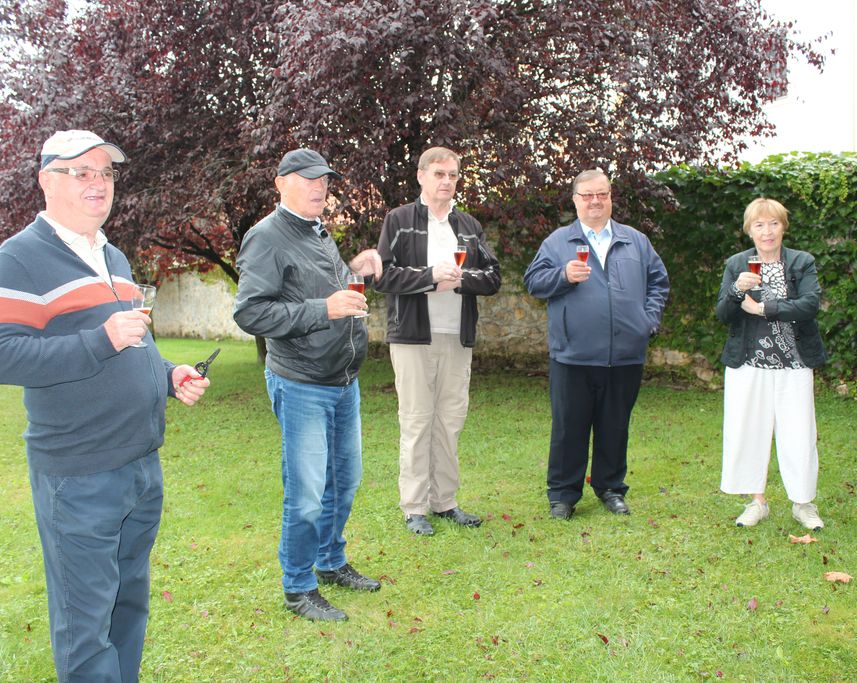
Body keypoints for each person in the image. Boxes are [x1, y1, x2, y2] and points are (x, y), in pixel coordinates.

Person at [0, 129, 210, 682]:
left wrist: (167, 375)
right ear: (46, 181)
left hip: (140, 465)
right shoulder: (20, 257)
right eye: (80, 171)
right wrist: (98, 340)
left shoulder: (112, 255)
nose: (97, 183)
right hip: (79, 474)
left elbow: (135, 343)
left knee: (127, 606)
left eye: (105, 172)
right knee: (86, 625)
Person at [233, 148, 383, 622]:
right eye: (308, 179)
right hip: (301, 383)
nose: (320, 187)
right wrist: (325, 309)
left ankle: (330, 560)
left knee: (344, 480)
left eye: (324, 180)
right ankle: (298, 586)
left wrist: (356, 269)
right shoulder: (266, 237)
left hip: (343, 380)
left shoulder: (317, 230)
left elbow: (324, 286)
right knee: (306, 494)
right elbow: (250, 312)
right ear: (281, 183)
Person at [524, 169, 669, 520]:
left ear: (610, 198)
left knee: (614, 427)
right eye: (587, 195)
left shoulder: (635, 241)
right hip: (573, 354)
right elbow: (534, 281)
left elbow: (658, 282)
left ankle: (610, 488)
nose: (595, 201)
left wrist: (647, 322)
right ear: (575, 200)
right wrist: (562, 275)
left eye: (602, 194)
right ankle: (563, 495)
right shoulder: (558, 242)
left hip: (625, 355)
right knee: (568, 429)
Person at [375, 147, 501, 536]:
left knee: (450, 421)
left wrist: (461, 281)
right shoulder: (399, 220)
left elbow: (492, 277)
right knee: (417, 421)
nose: (447, 181)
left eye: (453, 175)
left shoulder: (469, 226)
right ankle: (415, 508)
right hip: (413, 337)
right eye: (439, 174)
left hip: (457, 337)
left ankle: (445, 502)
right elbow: (383, 276)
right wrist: (430, 276)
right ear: (421, 176)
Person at [716, 197, 827, 530]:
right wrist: (736, 290)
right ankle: (757, 502)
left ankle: (803, 504)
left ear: (783, 227)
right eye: (759, 225)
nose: (767, 232)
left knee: (799, 432)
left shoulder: (802, 262)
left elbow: (810, 305)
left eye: (774, 224)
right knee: (748, 430)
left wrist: (766, 309)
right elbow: (723, 314)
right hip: (748, 364)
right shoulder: (737, 263)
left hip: (794, 363)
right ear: (749, 230)